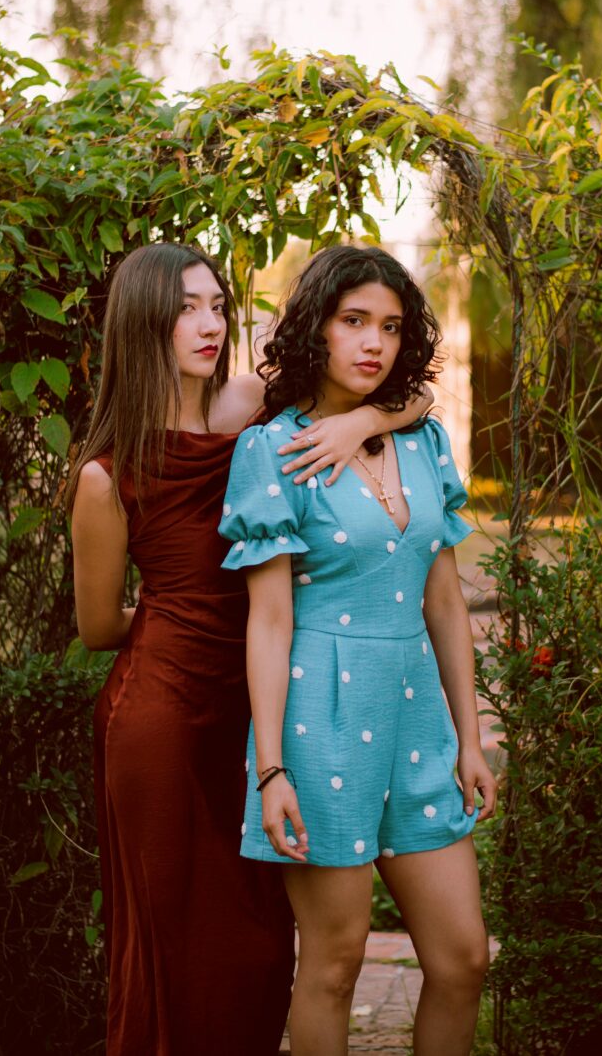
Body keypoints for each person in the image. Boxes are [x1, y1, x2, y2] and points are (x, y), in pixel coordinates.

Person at [67, 241, 433, 1056]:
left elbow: (407, 390)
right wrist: (181, 618)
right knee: (172, 946)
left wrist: (363, 420)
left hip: (261, 704)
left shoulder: (248, 404)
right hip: (158, 722)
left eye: (217, 305)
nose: (209, 323)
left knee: (261, 944)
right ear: (143, 324)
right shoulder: (105, 473)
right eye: (186, 309)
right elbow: (98, 627)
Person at [219, 245, 497, 1056]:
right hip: (320, 718)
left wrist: (470, 737)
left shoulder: (425, 441)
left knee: (464, 955)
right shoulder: (273, 451)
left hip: (416, 715)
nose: (372, 342)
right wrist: (270, 767)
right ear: (318, 328)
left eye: (389, 327)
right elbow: (268, 621)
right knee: (334, 965)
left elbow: (443, 599)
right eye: (353, 322)